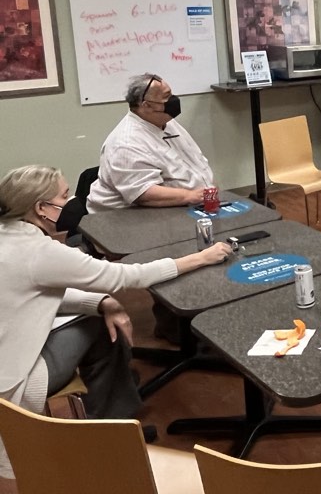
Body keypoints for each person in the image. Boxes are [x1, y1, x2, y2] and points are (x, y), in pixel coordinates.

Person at [0, 165, 233, 477]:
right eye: (64, 197)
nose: (71, 203)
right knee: (100, 327)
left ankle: (115, 417)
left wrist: (101, 302)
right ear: (41, 208)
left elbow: (38, 290)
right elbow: (126, 277)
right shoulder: (39, 251)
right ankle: (114, 430)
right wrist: (201, 258)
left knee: (98, 318)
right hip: (15, 382)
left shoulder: (8, 237)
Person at [88, 73, 215, 211]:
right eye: (166, 97)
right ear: (147, 105)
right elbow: (143, 193)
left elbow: (197, 161)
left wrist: (208, 187)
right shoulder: (125, 143)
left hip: (189, 205)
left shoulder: (165, 122)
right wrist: (190, 196)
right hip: (129, 216)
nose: (173, 100)